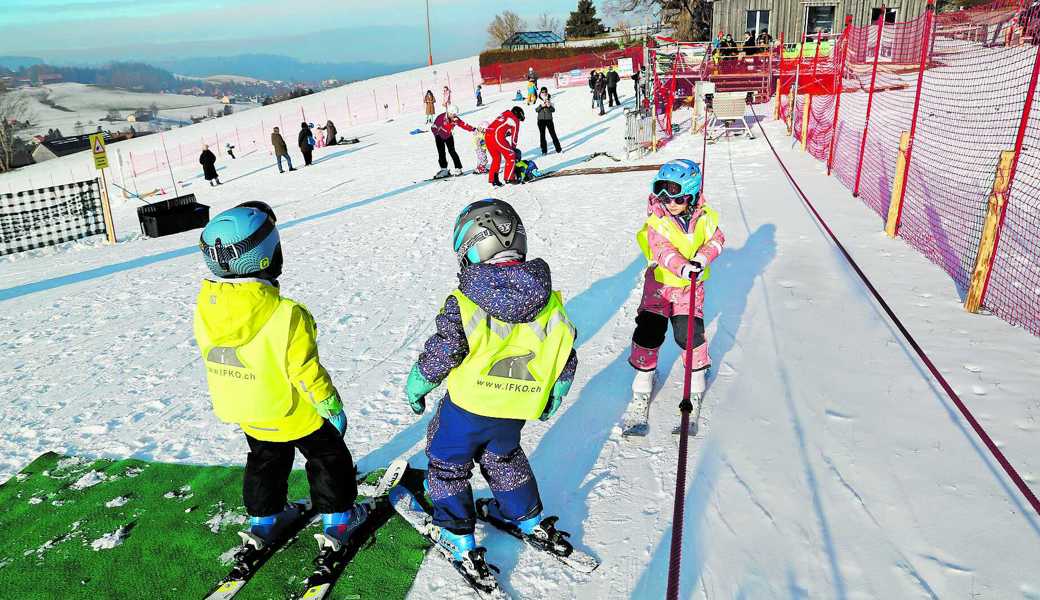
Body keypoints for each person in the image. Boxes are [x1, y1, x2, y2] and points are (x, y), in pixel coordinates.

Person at [403, 198, 578, 586]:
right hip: (513, 409)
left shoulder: (465, 301)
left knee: (447, 466)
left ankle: (457, 534)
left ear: (472, 247)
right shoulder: (547, 301)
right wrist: (555, 393)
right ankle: (529, 518)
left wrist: (418, 383)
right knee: (504, 459)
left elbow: (444, 349)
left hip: (466, 409)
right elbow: (565, 352)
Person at [194, 201, 368, 561]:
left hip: (248, 410)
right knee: (327, 455)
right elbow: (304, 370)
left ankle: (263, 519)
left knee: (265, 459)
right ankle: (338, 519)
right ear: (267, 257)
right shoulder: (286, 313)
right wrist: (329, 404)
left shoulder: (206, 306)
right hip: (292, 412)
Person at [629, 159, 725, 404]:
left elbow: (716, 240)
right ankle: (643, 375)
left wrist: (702, 259)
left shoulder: (705, 217)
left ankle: (696, 374)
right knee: (649, 329)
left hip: (688, 289)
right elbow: (662, 250)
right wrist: (683, 267)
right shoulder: (657, 220)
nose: (670, 204)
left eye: (678, 199)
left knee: (688, 332)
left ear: (692, 195)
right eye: (665, 197)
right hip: (659, 287)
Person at [432, 104, 476, 178]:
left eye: (455, 115)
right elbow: (433, 127)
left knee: (452, 151)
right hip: (439, 136)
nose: (454, 116)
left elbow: (463, 125)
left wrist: (473, 129)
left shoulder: (455, 119)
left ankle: (458, 168)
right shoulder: (441, 117)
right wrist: (436, 134)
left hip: (448, 136)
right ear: (449, 112)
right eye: (452, 114)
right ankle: (444, 170)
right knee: (441, 152)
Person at [484, 106, 524, 187]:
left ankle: (493, 179)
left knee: (496, 158)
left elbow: (500, 125)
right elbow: (514, 136)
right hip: (496, 136)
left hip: (488, 135)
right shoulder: (515, 120)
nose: (519, 120)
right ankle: (509, 178)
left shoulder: (505, 113)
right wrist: (513, 148)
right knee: (511, 155)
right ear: (518, 115)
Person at [536, 87, 561, 155]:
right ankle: (544, 151)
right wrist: (541, 106)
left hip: (549, 119)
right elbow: (536, 110)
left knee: (553, 134)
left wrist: (549, 106)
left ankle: (558, 149)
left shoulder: (551, 99)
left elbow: (553, 110)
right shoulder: (538, 99)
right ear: (541, 92)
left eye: (545, 92)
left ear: (547, 92)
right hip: (540, 120)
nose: (544, 93)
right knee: (542, 135)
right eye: (543, 92)